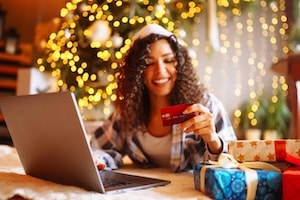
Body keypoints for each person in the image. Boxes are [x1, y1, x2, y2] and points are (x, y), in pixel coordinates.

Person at [90, 24, 237, 172]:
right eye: (149, 63)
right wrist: (98, 159)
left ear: (180, 64)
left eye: (168, 60)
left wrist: (213, 140)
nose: (160, 71)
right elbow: (99, 150)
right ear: (137, 71)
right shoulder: (127, 111)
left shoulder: (205, 105)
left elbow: (233, 162)